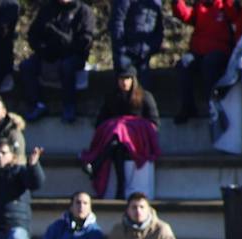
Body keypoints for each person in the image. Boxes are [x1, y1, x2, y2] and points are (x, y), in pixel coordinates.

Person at [80, 65, 160, 199]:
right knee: (117, 145)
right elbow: (101, 121)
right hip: (117, 141)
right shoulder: (112, 97)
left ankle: (96, 164)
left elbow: (154, 122)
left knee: (120, 128)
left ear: (133, 80)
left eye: (127, 78)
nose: (124, 82)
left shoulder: (145, 96)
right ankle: (121, 188)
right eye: (121, 79)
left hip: (138, 139)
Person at [20, 0, 95, 123]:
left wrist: (59, 37)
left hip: (73, 55)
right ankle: (36, 104)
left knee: (67, 67)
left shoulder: (84, 11)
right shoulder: (47, 9)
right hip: (48, 54)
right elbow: (33, 35)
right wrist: (43, 49)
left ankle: (69, 107)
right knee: (27, 66)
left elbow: (85, 41)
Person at [172, 0, 234, 124]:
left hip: (219, 51)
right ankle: (188, 107)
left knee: (209, 64)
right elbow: (186, 16)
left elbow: (235, 16)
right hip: (198, 51)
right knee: (184, 63)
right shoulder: (200, 5)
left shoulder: (224, 5)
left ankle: (213, 106)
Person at [97, 192, 182, 239]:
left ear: (148, 209)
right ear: (128, 210)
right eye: (134, 207)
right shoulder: (118, 230)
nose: (138, 211)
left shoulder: (161, 228)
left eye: (142, 207)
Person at [35, 191, 104, 239]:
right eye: (78, 202)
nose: (81, 206)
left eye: (85, 203)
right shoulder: (56, 227)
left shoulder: (94, 232)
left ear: (90, 208)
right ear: (71, 207)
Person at [109, 0, 163, 89]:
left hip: (144, 55)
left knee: (143, 94)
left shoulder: (156, 2)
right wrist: (121, 49)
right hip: (126, 54)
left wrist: (154, 46)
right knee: (124, 93)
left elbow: (159, 26)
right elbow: (117, 23)